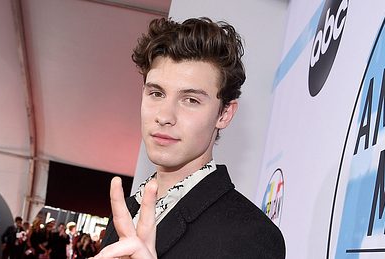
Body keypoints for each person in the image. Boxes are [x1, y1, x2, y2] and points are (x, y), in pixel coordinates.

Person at [95, 17, 286, 258]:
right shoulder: (126, 212)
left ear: (224, 114)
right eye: (156, 93)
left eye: (191, 100)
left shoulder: (251, 234)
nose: (164, 116)